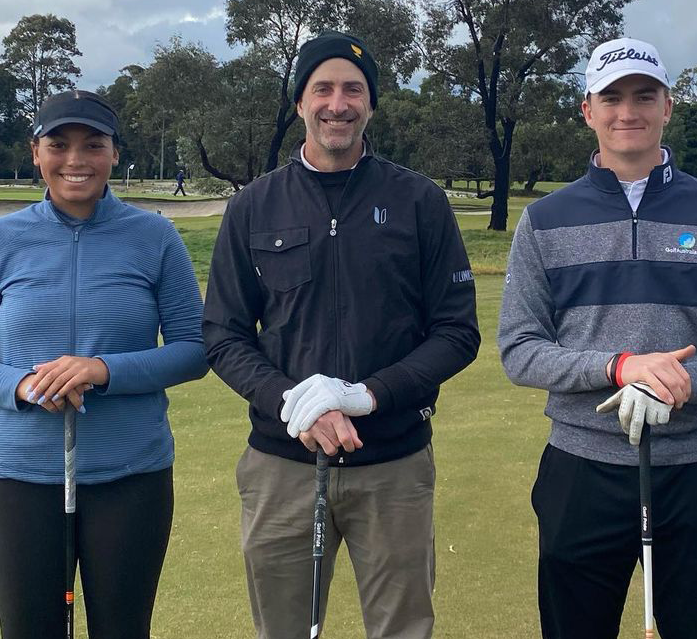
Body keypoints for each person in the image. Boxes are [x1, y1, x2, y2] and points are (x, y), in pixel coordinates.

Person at [203, 31, 479, 639]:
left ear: (372, 104)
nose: (338, 103)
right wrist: (294, 403)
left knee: (402, 629)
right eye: (321, 88)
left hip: (395, 464)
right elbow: (223, 335)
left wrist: (366, 395)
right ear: (299, 102)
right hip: (283, 464)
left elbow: (458, 332)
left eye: (353, 89)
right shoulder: (253, 206)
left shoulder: (419, 201)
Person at [497, 37, 697, 639]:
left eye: (644, 95)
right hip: (581, 467)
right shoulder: (545, 219)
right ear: (587, 110)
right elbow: (520, 349)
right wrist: (620, 367)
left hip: (696, 469)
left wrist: (676, 383)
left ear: (668, 106)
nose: (629, 111)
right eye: (612, 96)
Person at [0, 90, 208, 639]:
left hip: (130, 473)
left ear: (114, 154)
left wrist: (103, 370)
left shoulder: (154, 237)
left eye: (93, 145)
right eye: (59, 145)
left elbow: (194, 348)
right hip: (21, 474)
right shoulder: (0, 239)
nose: (76, 160)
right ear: (36, 152)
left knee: (122, 629)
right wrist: (19, 383)